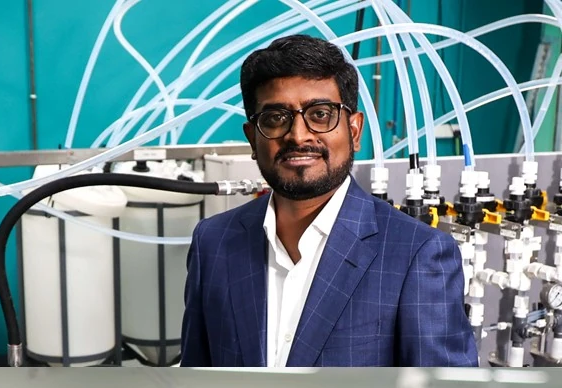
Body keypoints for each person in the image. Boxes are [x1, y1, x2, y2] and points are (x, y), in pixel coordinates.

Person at [180, 34, 477, 367]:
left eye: (320, 114)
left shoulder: (416, 254)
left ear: (354, 130)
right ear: (253, 137)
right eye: (276, 118)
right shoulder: (214, 242)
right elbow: (197, 384)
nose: (298, 135)